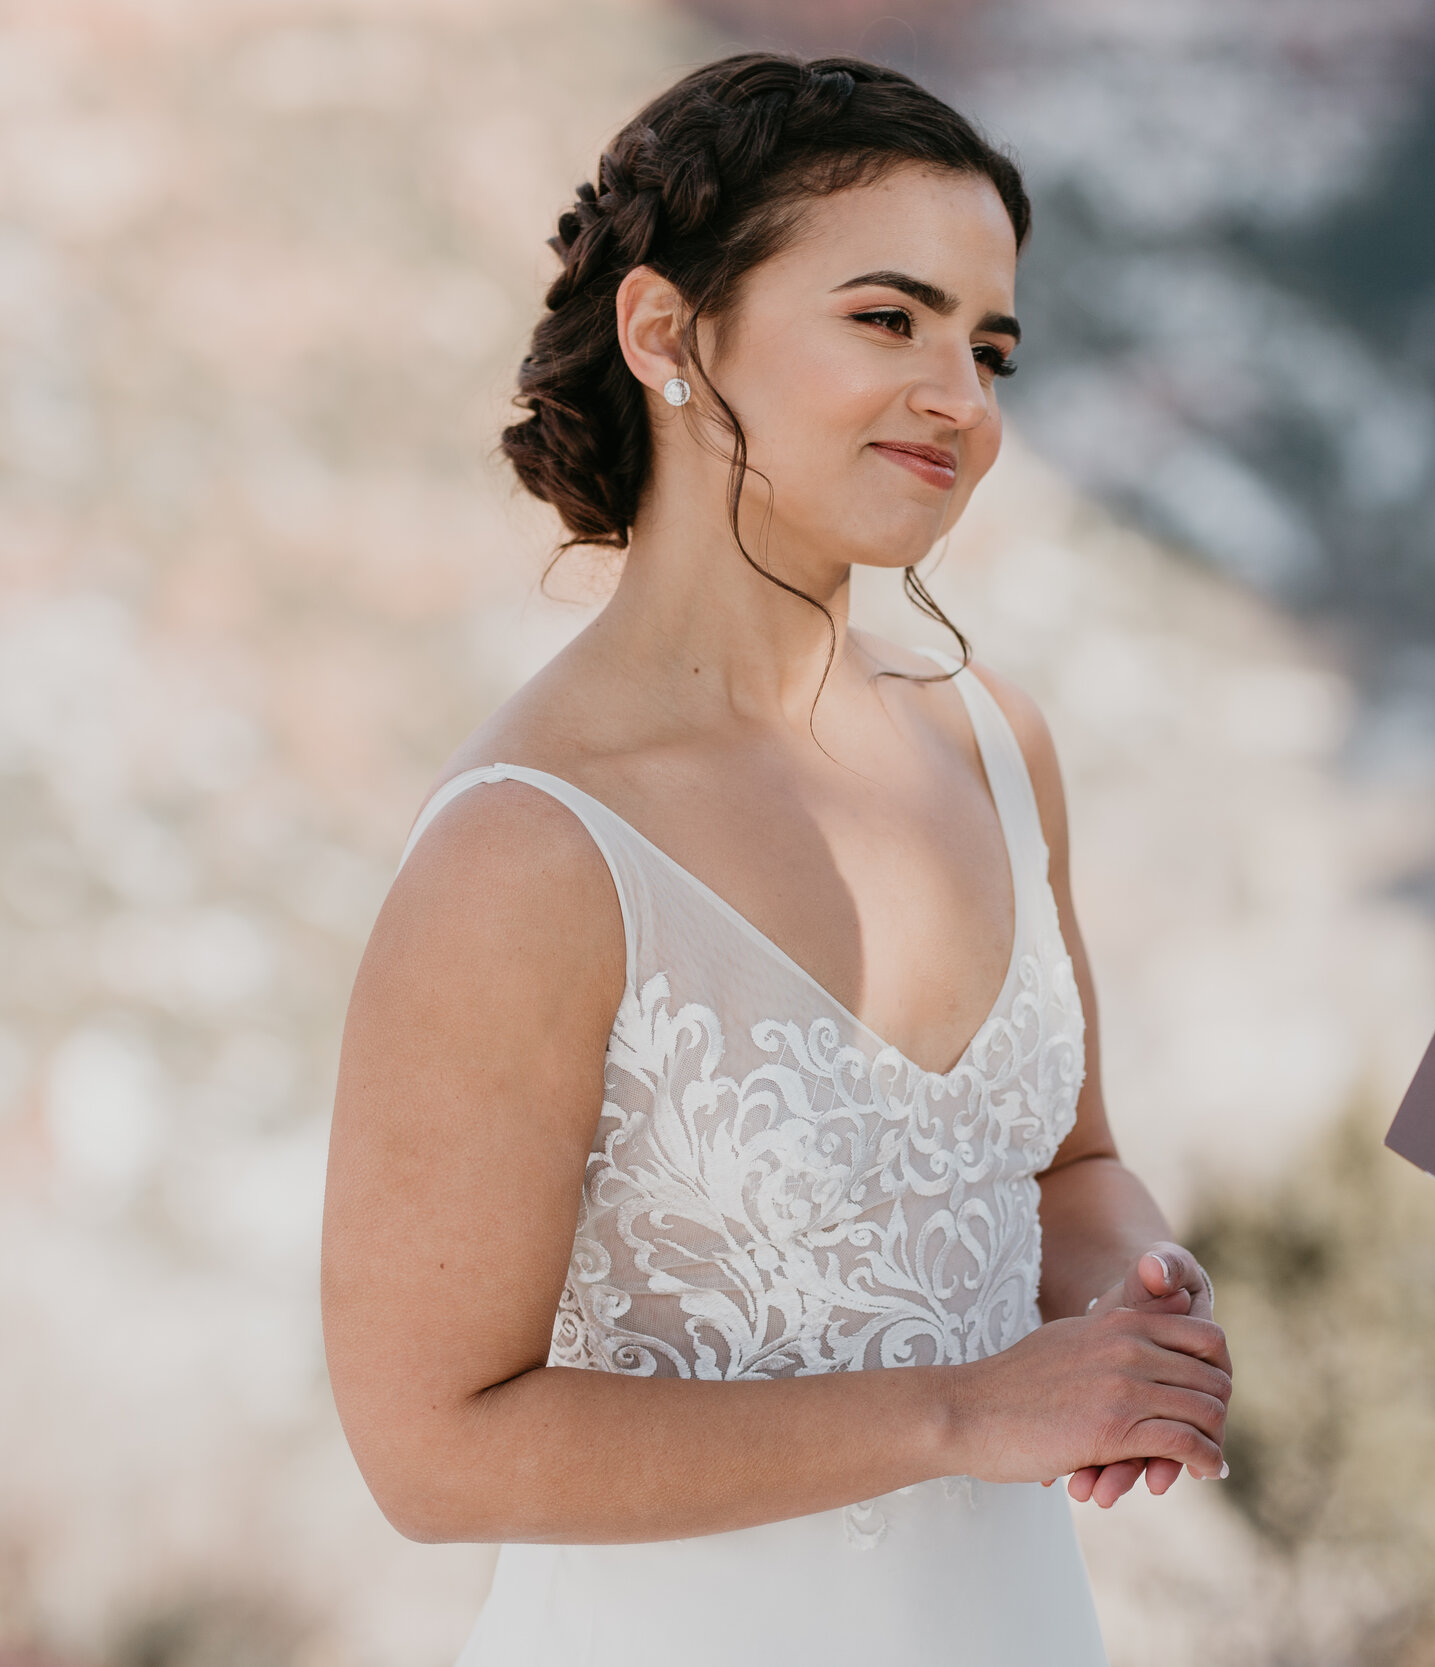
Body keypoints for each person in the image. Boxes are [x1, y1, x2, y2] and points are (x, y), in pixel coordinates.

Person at [321, 54, 1230, 1666]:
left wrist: (1138, 1302)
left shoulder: (993, 748)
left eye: (990, 344)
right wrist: (961, 1410)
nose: (962, 396)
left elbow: (1068, 1174)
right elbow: (430, 1447)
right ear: (668, 336)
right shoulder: (531, 850)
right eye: (890, 320)